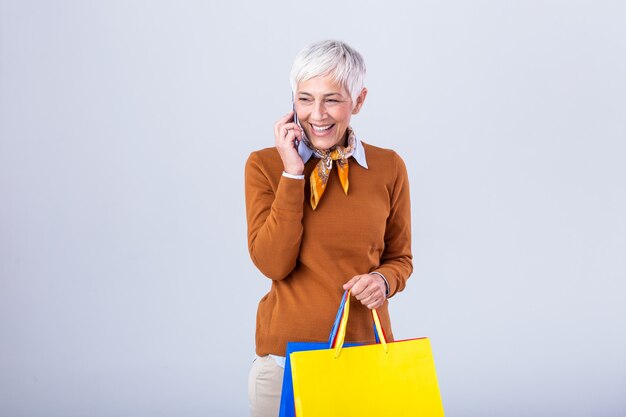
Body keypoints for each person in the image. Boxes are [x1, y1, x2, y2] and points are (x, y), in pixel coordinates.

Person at [245, 39, 413, 417]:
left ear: (359, 100)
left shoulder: (389, 167)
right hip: (284, 363)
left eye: (332, 99)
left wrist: (383, 281)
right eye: (305, 99)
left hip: (364, 358)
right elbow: (273, 263)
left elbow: (400, 258)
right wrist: (292, 173)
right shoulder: (263, 166)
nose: (316, 114)